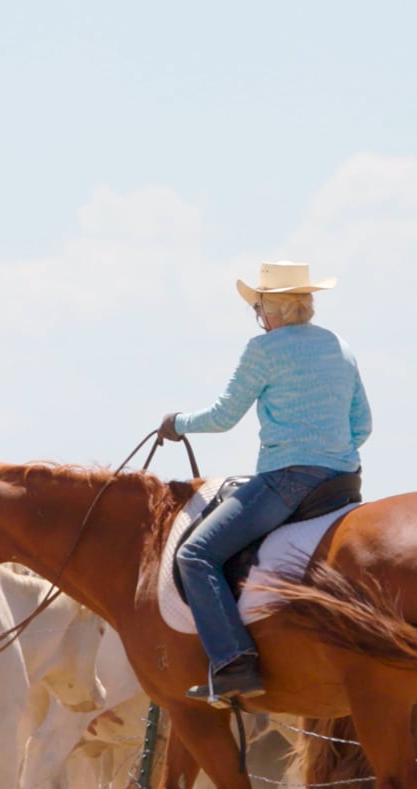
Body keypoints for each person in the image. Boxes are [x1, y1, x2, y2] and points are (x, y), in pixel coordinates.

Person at [159, 261, 370, 705]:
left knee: (195, 555)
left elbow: (223, 417)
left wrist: (177, 423)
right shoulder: (341, 348)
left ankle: (234, 663)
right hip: (344, 484)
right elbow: (363, 426)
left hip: (287, 482)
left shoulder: (264, 349)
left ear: (268, 309)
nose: (258, 315)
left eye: (258, 305)